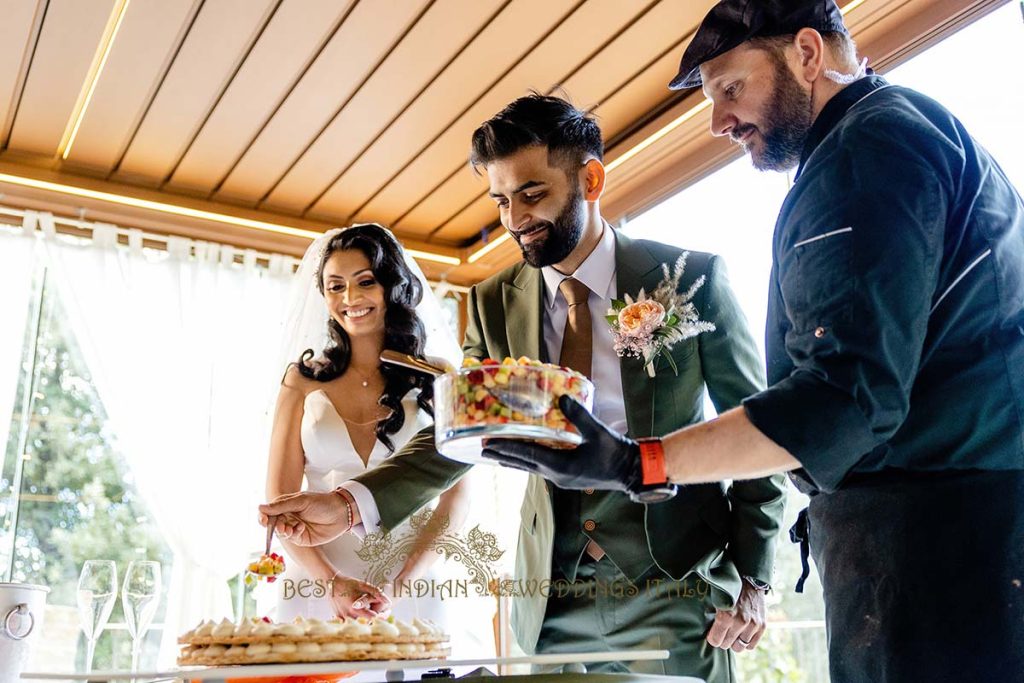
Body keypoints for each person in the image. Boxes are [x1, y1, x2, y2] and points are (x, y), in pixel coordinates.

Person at [481, 3, 1024, 681]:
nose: (719, 123)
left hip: (941, 544)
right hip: (954, 534)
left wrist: (634, 463)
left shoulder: (866, 150)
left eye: (731, 89)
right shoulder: (896, 133)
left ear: (805, 53)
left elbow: (839, 396)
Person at [260, 94, 786, 683]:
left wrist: (755, 578)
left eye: (532, 195)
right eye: (501, 200)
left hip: (676, 587)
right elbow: (460, 435)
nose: (514, 219)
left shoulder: (689, 279)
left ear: (590, 178)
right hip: (550, 594)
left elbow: (760, 431)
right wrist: (350, 502)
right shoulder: (492, 303)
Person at [265, 223, 468, 625]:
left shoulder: (439, 376)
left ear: (391, 286)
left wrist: (404, 582)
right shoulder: (301, 380)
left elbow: (456, 497)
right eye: (335, 286)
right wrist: (331, 581)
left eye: (365, 281)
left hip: (411, 586)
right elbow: (279, 501)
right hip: (315, 584)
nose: (350, 298)